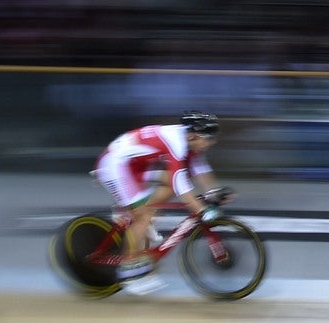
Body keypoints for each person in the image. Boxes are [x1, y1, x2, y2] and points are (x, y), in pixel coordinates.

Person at [93, 110, 229, 295]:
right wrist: (201, 211)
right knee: (142, 216)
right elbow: (180, 184)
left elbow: (200, 169)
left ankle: (143, 215)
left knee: (160, 195)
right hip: (115, 164)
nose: (211, 143)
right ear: (192, 135)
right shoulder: (176, 143)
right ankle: (129, 271)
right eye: (208, 138)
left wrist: (215, 192)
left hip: (134, 165)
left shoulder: (191, 141)